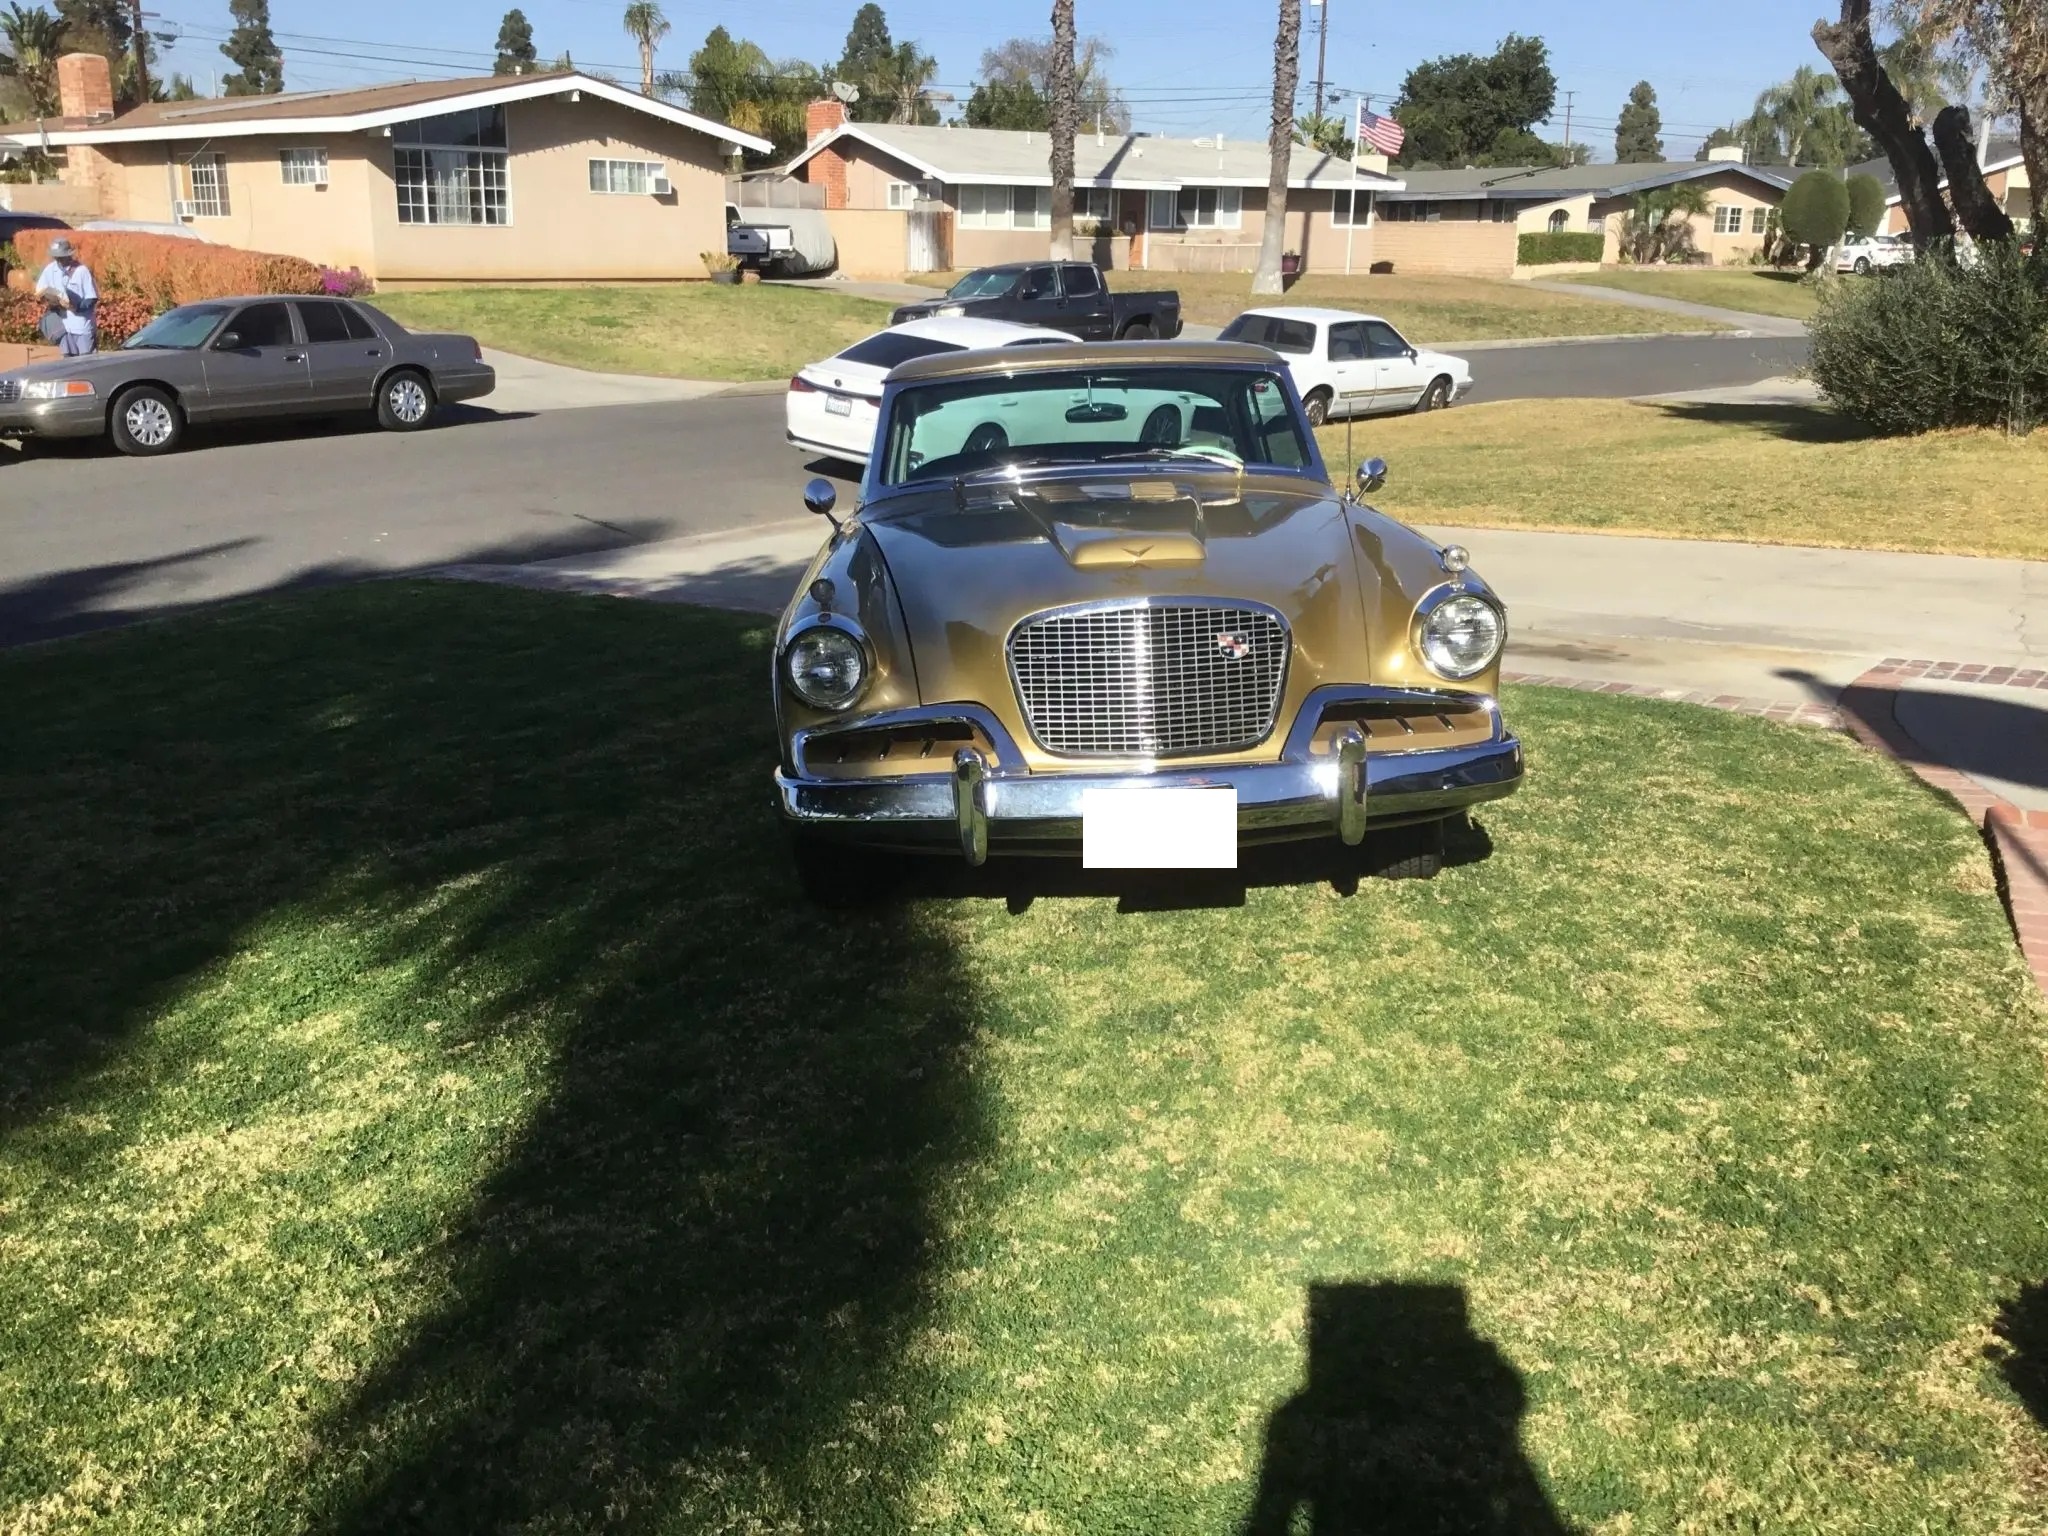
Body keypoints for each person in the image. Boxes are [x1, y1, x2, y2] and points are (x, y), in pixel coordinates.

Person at [35, 237, 98, 356]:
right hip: (63, 327)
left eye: (61, 257)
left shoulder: (82, 271)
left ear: (69, 255)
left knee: (87, 364)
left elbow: (91, 298)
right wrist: (49, 299)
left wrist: (75, 306)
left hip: (82, 327)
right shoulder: (50, 269)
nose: (58, 260)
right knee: (68, 365)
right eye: (56, 257)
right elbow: (41, 290)